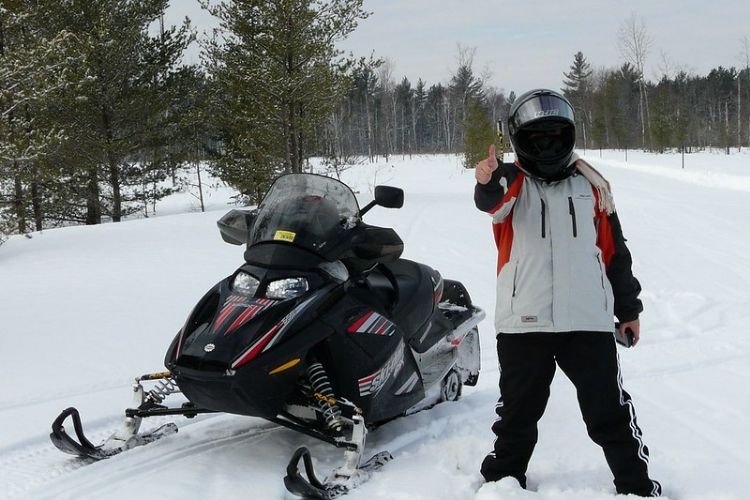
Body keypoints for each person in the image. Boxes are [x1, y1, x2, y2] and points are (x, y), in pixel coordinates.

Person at [474, 89, 661, 497]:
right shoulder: (512, 183)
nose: (546, 144)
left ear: (568, 136)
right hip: (524, 321)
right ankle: (501, 485)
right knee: (517, 417)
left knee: (609, 413)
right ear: (520, 139)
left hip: (587, 320)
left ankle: (637, 487)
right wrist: (487, 179)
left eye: (554, 136)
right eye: (537, 137)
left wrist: (628, 309)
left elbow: (615, 254)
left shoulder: (593, 188)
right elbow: (491, 201)